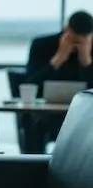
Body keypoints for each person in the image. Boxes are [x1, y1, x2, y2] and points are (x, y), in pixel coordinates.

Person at [20, 10, 93, 153]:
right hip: (47, 113)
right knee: (33, 122)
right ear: (66, 30)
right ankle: (33, 167)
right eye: (74, 40)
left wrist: (86, 63)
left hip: (85, 115)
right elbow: (31, 84)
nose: (77, 44)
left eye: (81, 41)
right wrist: (58, 59)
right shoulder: (42, 45)